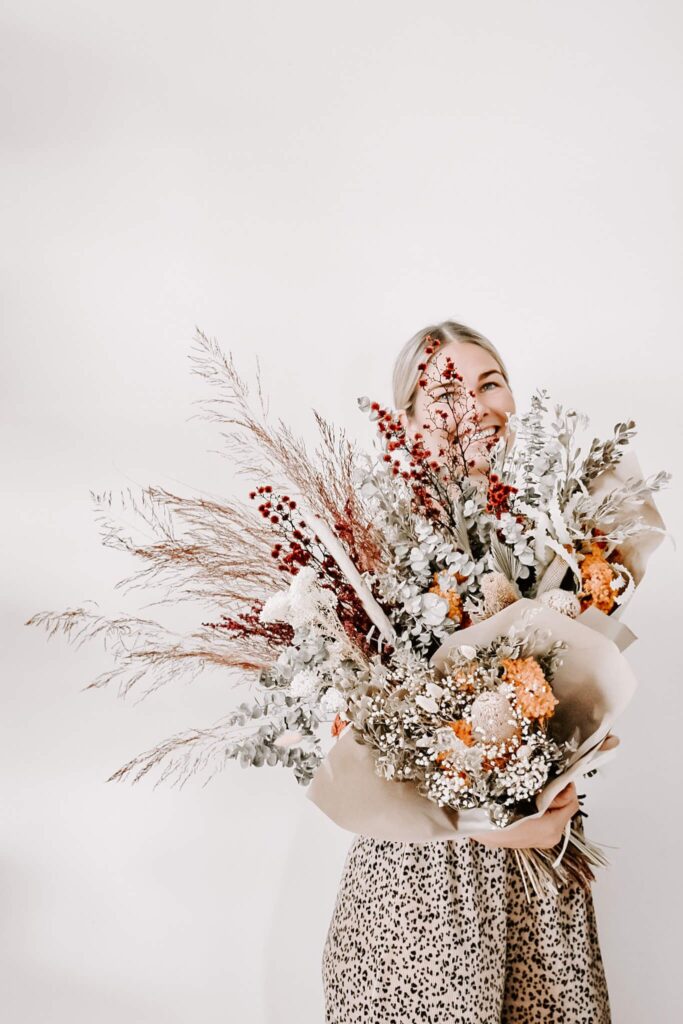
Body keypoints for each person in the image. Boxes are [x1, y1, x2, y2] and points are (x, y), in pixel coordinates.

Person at [321, 320, 617, 1023]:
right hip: (421, 894)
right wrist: (485, 826)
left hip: (541, 886)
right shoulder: (370, 552)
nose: (477, 404)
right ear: (411, 424)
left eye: (491, 383)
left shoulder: (555, 539)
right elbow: (343, 743)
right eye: (447, 393)